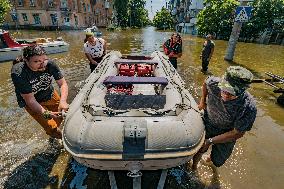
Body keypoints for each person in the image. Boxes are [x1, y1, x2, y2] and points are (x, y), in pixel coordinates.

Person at [192, 66, 257, 170]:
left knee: (218, 161)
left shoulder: (248, 107)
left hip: (228, 132)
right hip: (208, 122)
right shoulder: (214, 83)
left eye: (232, 93)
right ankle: (194, 166)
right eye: (224, 90)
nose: (226, 96)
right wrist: (202, 102)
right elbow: (205, 82)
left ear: (242, 91)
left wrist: (210, 141)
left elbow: (237, 133)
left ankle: (209, 158)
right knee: (198, 150)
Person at [11, 45, 69, 139]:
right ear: (26, 60)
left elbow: (62, 84)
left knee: (61, 116)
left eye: (44, 60)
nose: (42, 65)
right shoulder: (18, 73)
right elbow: (30, 100)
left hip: (49, 94)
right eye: (36, 61)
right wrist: (47, 113)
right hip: (32, 102)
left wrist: (63, 101)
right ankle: (59, 139)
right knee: (52, 128)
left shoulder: (50, 64)